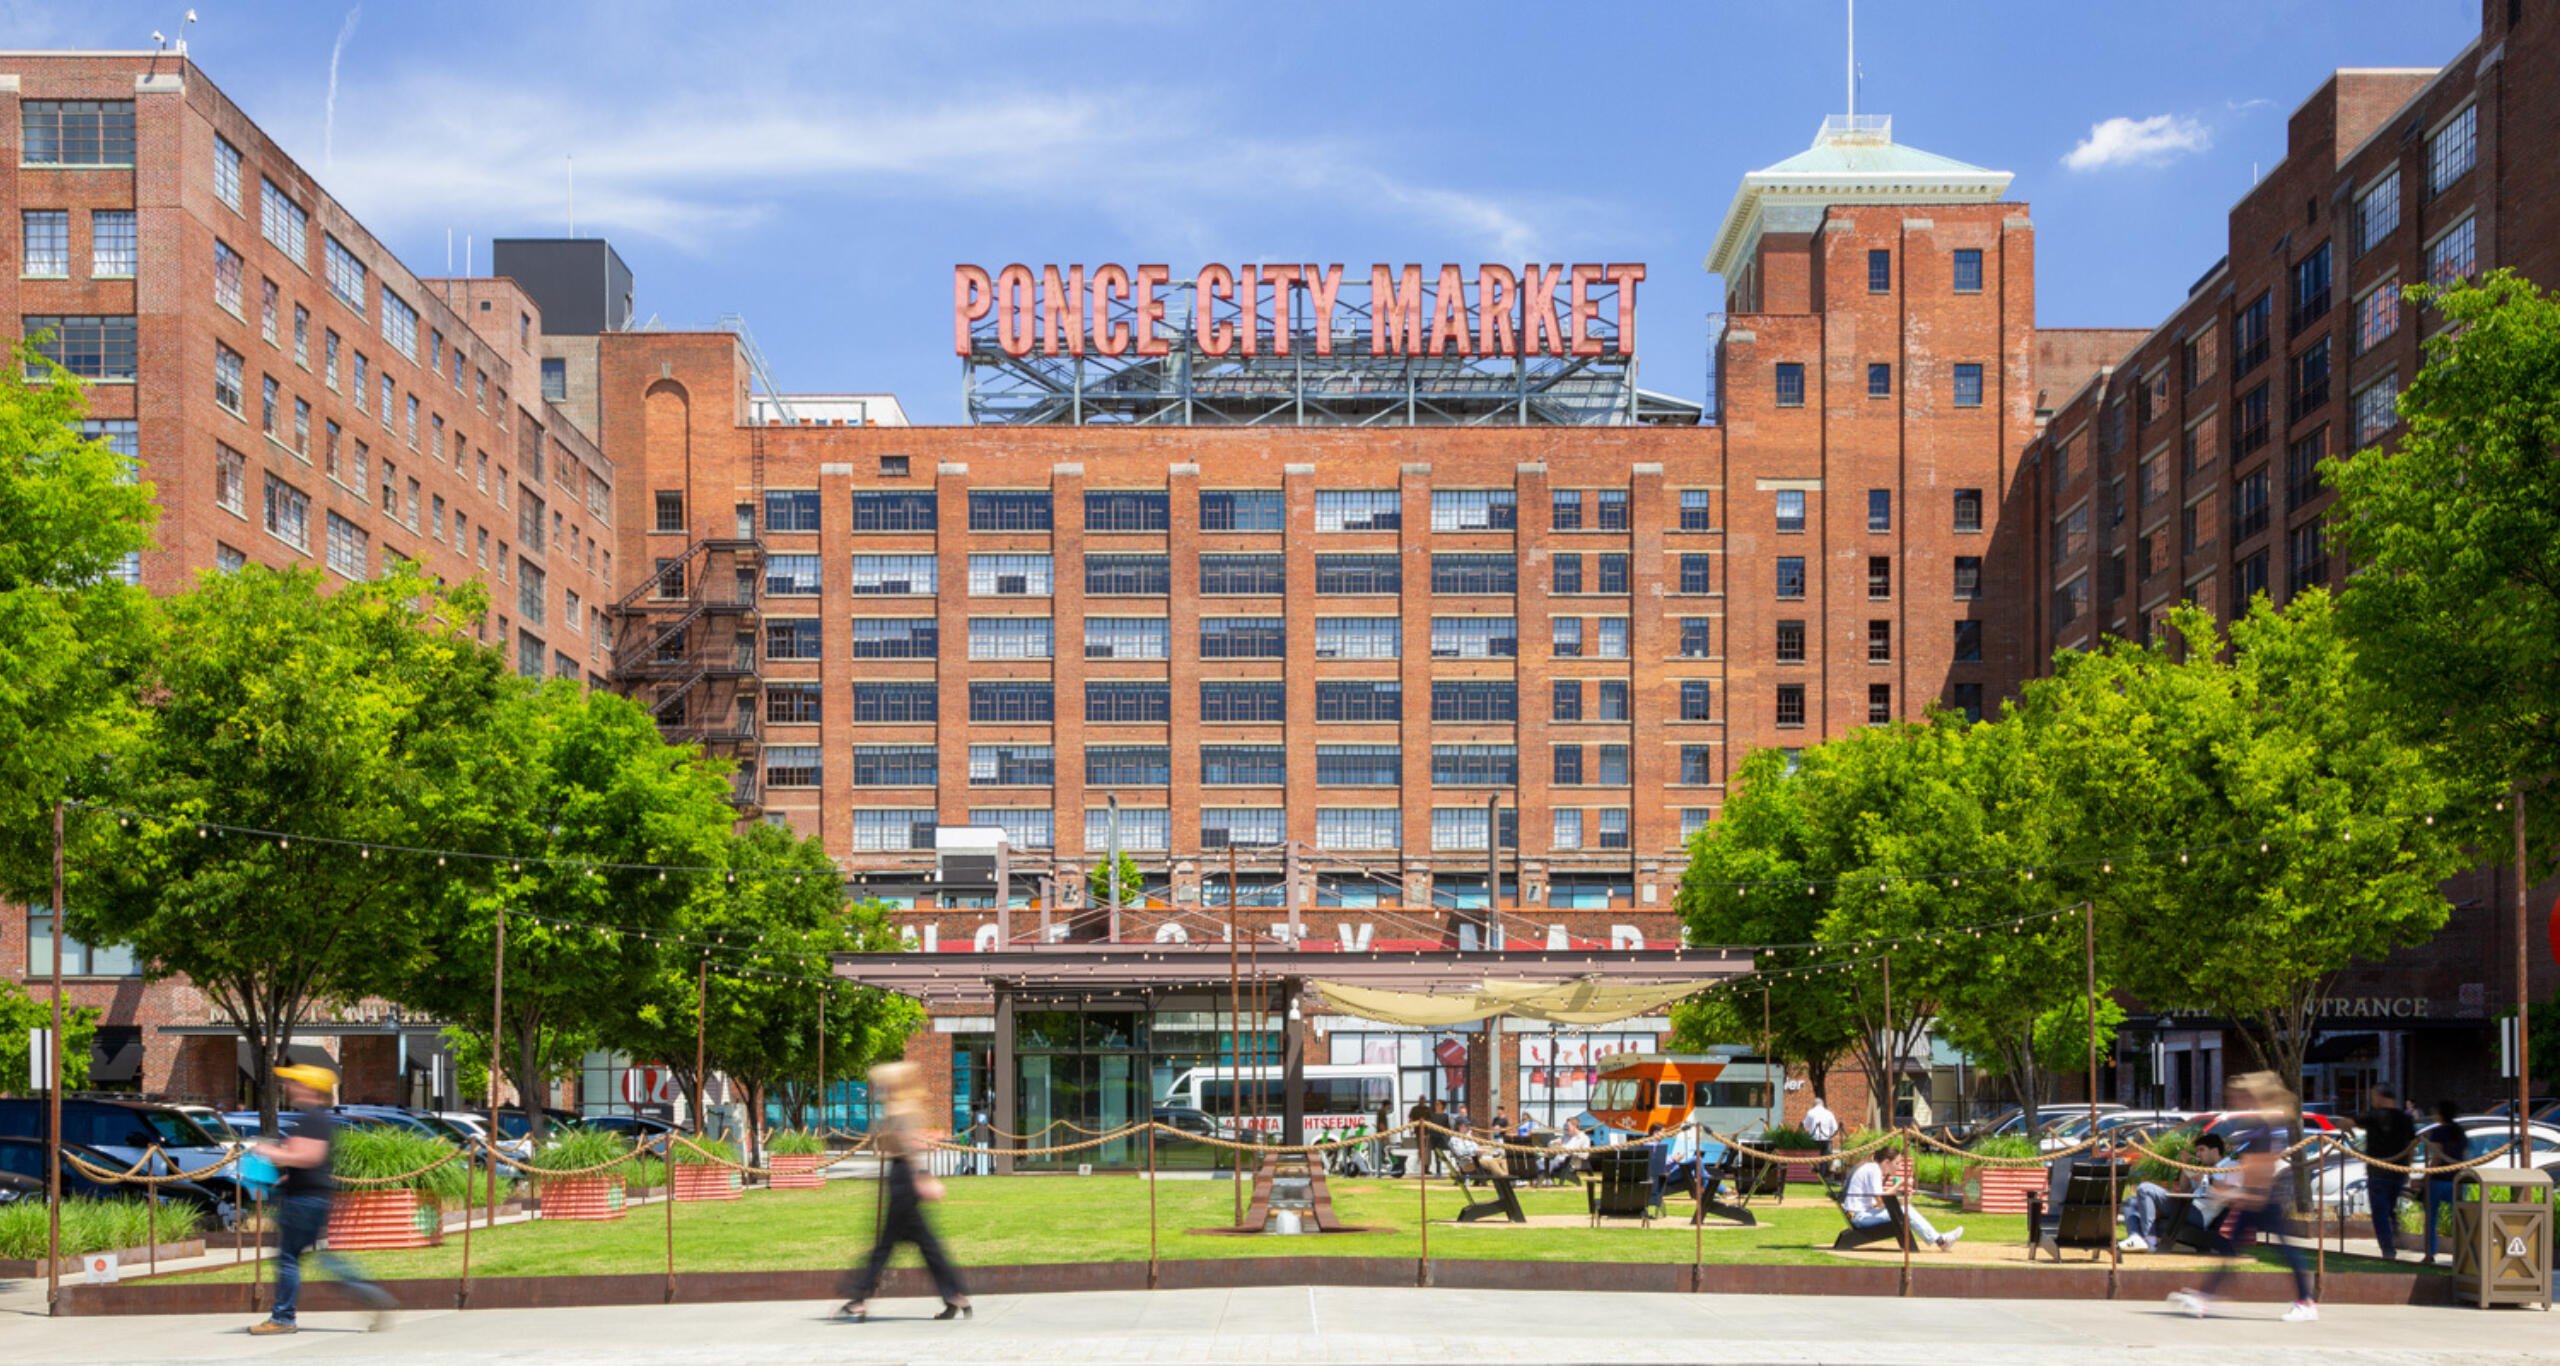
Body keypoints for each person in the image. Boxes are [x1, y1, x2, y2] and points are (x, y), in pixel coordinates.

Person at [248, 1064, 394, 1336]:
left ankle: (282, 1318)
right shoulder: (317, 1120)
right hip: (314, 1197)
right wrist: (287, 1174)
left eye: (294, 1082)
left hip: (302, 1202)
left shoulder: (312, 1121)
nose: (289, 1087)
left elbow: (309, 1157)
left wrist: (270, 1152)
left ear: (309, 1088)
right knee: (322, 1257)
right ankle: (368, 1292)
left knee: (288, 1257)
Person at [2169, 1073, 2317, 1322]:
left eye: (2238, 1096)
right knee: (2230, 1251)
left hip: (2263, 1199)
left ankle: (2306, 1302)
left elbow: (2263, 1167)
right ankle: (2204, 1298)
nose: (2233, 1100)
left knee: (2286, 1251)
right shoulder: (2256, 1125)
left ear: (2252, 1097)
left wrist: (2242, 1193)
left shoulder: (2263, 1126)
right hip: (2253, 1198)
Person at [838, 1062, 971, 1322]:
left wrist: (920, 1177)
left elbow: (905, 1146)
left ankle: (858, 1298)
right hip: (903, 1177)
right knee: (926, 1245)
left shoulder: (901, 1109)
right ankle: (954, 1295)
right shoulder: (901, 1107)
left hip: (903, 1179)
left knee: (885, 1246)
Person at [2118, 1133, 2230, 1251]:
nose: (2198, 1154)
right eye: (2197, 1151)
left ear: (2215, 1151)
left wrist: (2208, 1179)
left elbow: (2230, 1190)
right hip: (2185, 1208)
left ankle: (2150, 1241)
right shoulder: (2204, 1169)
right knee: (2131, 1202)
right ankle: (2136, 1237)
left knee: (2145, 1188)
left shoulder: (2230, 1166)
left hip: (2199, 1214)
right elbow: (2184, 1189)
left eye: (2202, 1150)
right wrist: (2185, 1164)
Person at [1842, 1145, 1962, 1250]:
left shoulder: (1870, 1168)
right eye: (1897, 1163)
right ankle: (1941, 1241)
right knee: (1906, 1210)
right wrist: (1899, 1184)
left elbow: (1880, 1201)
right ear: (1886, 1162)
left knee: (1905, 1208)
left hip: (1860, 1214)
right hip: (1860, 1217)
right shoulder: (1874, 1170)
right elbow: (1881, 1201)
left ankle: (1940, 1240)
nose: (1898, 1167)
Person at [2357, 1086, 2418, 1262]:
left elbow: (2348, 1122)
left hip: (2378, 1173)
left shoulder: (2374, 1116)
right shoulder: (2406, 1119)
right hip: (2397, 1172)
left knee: (2380, 1211)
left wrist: (2347, 1128)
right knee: (2388, 1208)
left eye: (2373, 1096)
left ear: (2381, 1097)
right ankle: (2393, 1234)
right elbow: (2412, 1145)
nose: (2372, 1100)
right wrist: (2408, 1168)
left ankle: (2388, 1248)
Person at [2420, 1098, 2471, 1265]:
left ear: (2441, 1114)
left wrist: (2425, 1177)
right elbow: (2465, 1156)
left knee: (2431, 1217)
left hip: (2438, 1179)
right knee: (2459, 1217)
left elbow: (2436, 1157)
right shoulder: (2460, 1132)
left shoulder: (2439, 1132)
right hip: (2456, 1179)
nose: (2433, 1114)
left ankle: (2430, 1253)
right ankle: (2463, 1253)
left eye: (2435, 1111)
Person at [1545, 1118, 1593, 1182]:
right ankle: (1539, 1179)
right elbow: (1550, 1145)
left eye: (1568, 1126)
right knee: (1540, 1162)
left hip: (1571, 1163)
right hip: (1559, 1160)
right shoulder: (1565, 1136)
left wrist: (1569, 1151)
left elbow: (1585, 1155)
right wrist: (1554, 1143)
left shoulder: (1584, 1138)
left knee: (1550, 1163)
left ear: (1575, 1126)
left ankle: (1546, 1179)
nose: (1566, 1128)